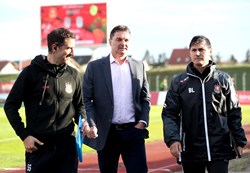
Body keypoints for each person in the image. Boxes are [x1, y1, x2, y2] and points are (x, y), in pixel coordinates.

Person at [4, 28, 88, 173]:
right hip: (38, 147)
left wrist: (84, 122)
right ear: (54, 47)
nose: (73, 53)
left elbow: (79, 105)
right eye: (69, 48)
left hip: (66, 148)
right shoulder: (30, 73)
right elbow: (10, 106)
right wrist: (24, 136)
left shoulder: (73, 74)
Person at [161, 35, 247, 173]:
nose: (197, 53)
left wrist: (239, 140)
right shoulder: (179, 82)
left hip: (219, 149)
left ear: (210, 51)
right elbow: (169, 114)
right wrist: (173, 139)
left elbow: (234, 111)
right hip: (190, 150)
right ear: (190, 52)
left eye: (201, 49)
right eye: (194, 50)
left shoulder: (223, 79)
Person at [82, 25, 151, 173]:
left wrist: (142, 122)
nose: (123, 43)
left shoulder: (139, 66)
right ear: (110, 41)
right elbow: (86, 99)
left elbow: (145, 98)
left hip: (133, 132)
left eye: (126, 40)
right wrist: (92, 123)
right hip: (107, 134)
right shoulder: (94, 67)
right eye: (119, 39)